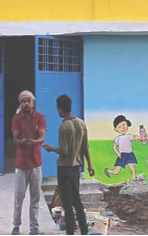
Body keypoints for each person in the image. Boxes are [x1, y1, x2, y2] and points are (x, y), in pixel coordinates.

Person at [43, 94, 95, 235]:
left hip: (64, 168)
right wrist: (90, 165)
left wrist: (51, 148)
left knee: (67, 202)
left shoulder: (64, 126)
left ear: (60, 108)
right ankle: (84, 231)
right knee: (77, 201)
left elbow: (64, 151)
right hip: (76, 168)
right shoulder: (81, 123)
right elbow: (85, 147)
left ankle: (70, 232)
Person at [11, 90, 46, 236]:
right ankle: (16, 226)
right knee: (19, 198)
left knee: (35, 198)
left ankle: (34, 228)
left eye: (29, 101)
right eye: (23, 101)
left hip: (36, 164)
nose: (26, 103)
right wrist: (23, 142)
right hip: (21, 164)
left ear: (33, 102)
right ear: (20, 103)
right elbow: (15, 139)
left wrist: (34, 141)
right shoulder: (16, 118)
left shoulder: (40, 117)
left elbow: (42, 137)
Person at [104, 115, 143, 180]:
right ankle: (108, 170)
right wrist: (118, 154)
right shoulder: (118, 138)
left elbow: (136, 137)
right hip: (122, 155)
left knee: (132, 168)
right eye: (119, 127)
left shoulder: (129, 136)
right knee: (116, 171)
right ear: (116, 129)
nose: (122, 128)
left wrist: (141, 137)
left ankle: (133, 179)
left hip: (129, 154)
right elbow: (114, 147)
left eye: (124, 125)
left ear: (127, 124)